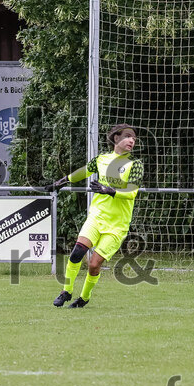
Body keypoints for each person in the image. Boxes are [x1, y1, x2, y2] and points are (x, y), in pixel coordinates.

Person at [47, 123, 144, 308]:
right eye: (128, 136)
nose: (132, 140)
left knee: (93, 265)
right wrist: (62, 181)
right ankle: (66, 291)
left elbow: (132, 193)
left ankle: (84, 298)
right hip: (97, 216)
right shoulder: (101, 159)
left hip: (117, 225)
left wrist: (110, 190)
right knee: (77, 252)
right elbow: (84, 171)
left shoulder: (135, 165)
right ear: (116, 138)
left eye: (134, 138)